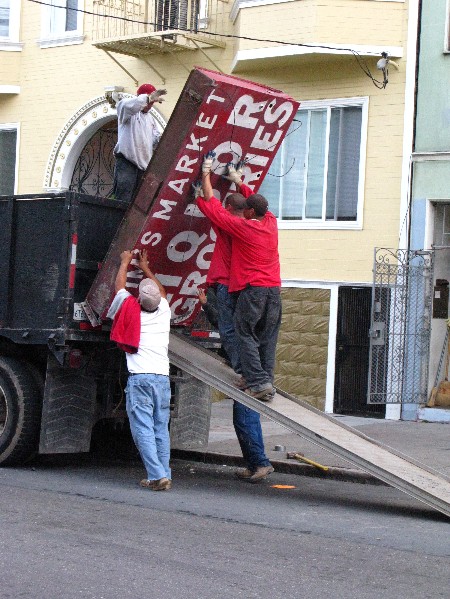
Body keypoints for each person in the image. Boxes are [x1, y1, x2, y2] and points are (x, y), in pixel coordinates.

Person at [197, 155, 282, 483]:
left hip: (242, 288)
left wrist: (205, 178)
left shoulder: (238, 226)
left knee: (239, 334)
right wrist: (239, 181)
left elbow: (210, 207)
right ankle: (262, 379)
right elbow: (247, 204)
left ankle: (256, 380)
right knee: (262, 338)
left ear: (243, 212)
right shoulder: (268, 221)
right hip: (272, 291)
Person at [107, 248, 172, 491]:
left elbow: (119, 288)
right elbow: (162, 291)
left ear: (140, 301)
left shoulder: (131, 311)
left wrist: (125, 262)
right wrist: (146, 268)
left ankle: (156, 476)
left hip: (140, 379)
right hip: (162, 379)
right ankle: (164, 473)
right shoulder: (164, 311)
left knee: (143, 428)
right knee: (160, 429)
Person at [113, 83, 167, 204]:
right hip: (127, 163)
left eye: (152, 103)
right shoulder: (126, 110)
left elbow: (154, 141)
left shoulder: (151, 119)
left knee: (140, 204)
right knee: (123, 201)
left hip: (143, 167)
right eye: (149, 102)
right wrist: (147, 98)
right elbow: (131, 105)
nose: (150, 105)